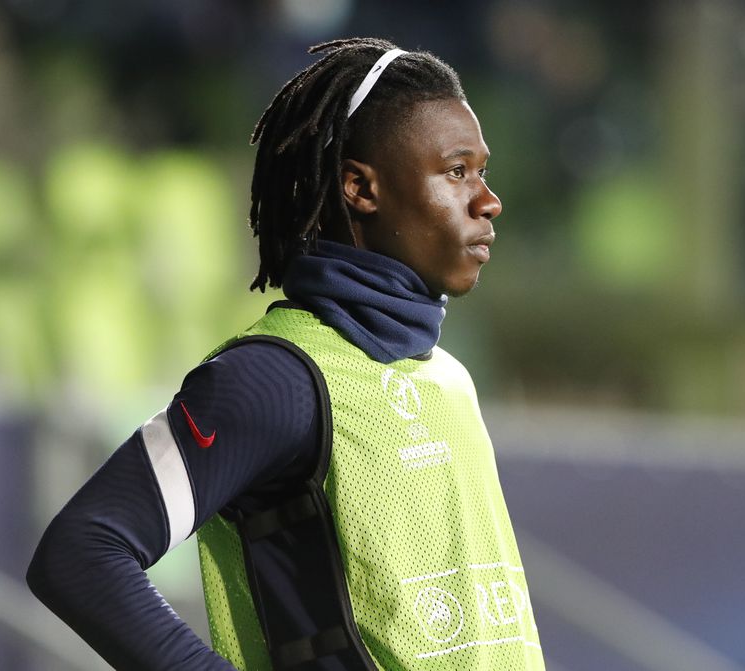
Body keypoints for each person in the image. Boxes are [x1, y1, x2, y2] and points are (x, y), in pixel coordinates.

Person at [27, 37, 545, 671]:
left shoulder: (448, 377)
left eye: (482, 172)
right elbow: (83, 551)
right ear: (360, 188)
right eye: (457, 171)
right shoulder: (273, 379)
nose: (487, 200)